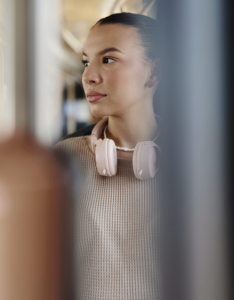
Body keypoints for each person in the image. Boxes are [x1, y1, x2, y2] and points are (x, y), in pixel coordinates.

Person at [56, 12, 162, 300]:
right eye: (86, 62)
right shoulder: (62, 161)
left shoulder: (197, 165)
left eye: (109, 59)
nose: (89, 76)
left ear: (153, 72)